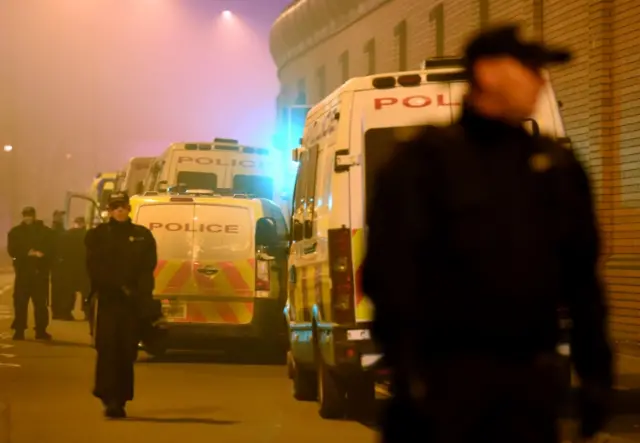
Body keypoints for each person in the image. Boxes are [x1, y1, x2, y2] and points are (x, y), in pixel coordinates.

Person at [363, 25, 613, 443]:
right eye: (530, 68)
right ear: (489, 73)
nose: (540, 80)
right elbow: (389, 275)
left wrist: (595, 376)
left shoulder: (555, 169)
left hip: (527, 387)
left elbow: (583, 282)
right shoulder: (422, 163)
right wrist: (408, 374)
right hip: (444, 385)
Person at [85, 191, 160, 418]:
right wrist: (115, 286)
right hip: (108, 300)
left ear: (129, 209)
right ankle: (108, 397)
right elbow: (94, 267)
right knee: (108, 349)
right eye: (115, 206)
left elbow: (148, 268)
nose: (119, 210)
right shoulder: (98, 235)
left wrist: (140, 294)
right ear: (109, 210)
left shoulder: (142, 235)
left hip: (132, 303)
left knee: (127, 351)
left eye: (123, 206)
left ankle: (122, 398)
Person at [7, 207, 53, 341]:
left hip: (39, 272)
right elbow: (12, 250)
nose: (28, 218)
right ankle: (19, 330)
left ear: (34, 216)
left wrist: (42, 255)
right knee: (20, 303)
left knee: (40, 304)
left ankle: (40, 330)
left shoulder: (45, 232)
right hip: (23, 273)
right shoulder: (15, 232)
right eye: (25, 215)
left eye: (29, 215)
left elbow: (52, 249)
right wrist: (28, 253)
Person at [60, 217, 91, 321]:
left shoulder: (67, 235)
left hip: (70, 267)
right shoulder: (88, 235)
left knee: (69, 291)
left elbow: (61, 250)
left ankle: (66, 312)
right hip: (84, 267)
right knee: (86, 292)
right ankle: (87, 312)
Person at [50, 209, 69, 320]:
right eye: (59, 216)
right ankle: (57, 311)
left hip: (60, 263)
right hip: (57, 263)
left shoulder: (59, 229)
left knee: (60, 288)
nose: (61, 218)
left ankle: (59, 311)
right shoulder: (55, 230)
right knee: (58, 288)